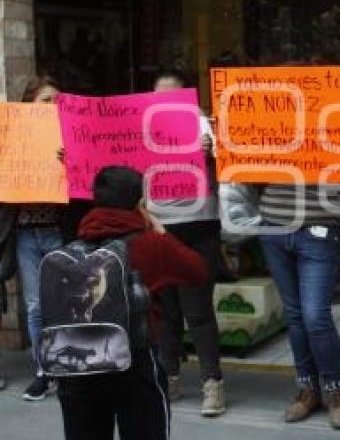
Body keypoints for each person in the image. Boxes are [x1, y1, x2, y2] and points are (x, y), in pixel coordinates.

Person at [56, 166, 208, 440]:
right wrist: (160, 231)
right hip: (135, 363)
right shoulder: (151, 244)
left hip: (79, 364)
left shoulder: (72, 248)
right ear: (140, 203)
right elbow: (198, 271)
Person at [149, 69, 226, 416]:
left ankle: (212, 385)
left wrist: (212, 150)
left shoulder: (204, 124)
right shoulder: (142, 126)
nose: (163, 101)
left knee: (198, 311)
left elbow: (232, 164)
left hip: (198, 228)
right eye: (158, 95)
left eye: (171, 95)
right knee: (165, 312)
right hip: (159, 229)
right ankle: (170, 378)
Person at [258, 178, 340, 429]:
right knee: (295, 314)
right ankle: (307, 389)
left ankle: (335, 392)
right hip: (274, 224)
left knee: (315, 316)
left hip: (320, 222)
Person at [9, 75, 65, 401]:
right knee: (35, 306)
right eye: (46, 100)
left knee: (62, 303)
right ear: (30, 103)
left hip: (58, 231)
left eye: (57, 100)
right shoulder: (13, 139)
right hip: (27, 235)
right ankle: (42, 371)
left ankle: (64, 368)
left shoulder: (69, 136)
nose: (52, 106)